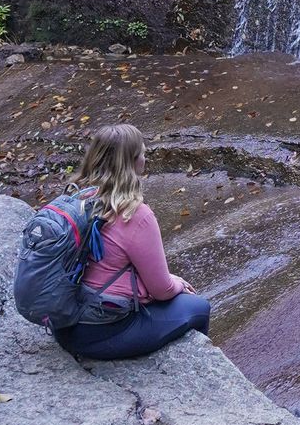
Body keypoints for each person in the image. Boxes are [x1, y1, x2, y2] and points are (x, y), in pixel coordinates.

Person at [57, 122, 211, 360]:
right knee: (199, 308)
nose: (145, 157)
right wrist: (177, 283)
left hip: (63, 322)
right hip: (101, 331)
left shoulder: (75, 198)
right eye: (142, 153)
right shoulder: (136, 215)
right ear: (132, 163)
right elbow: (162, 290)